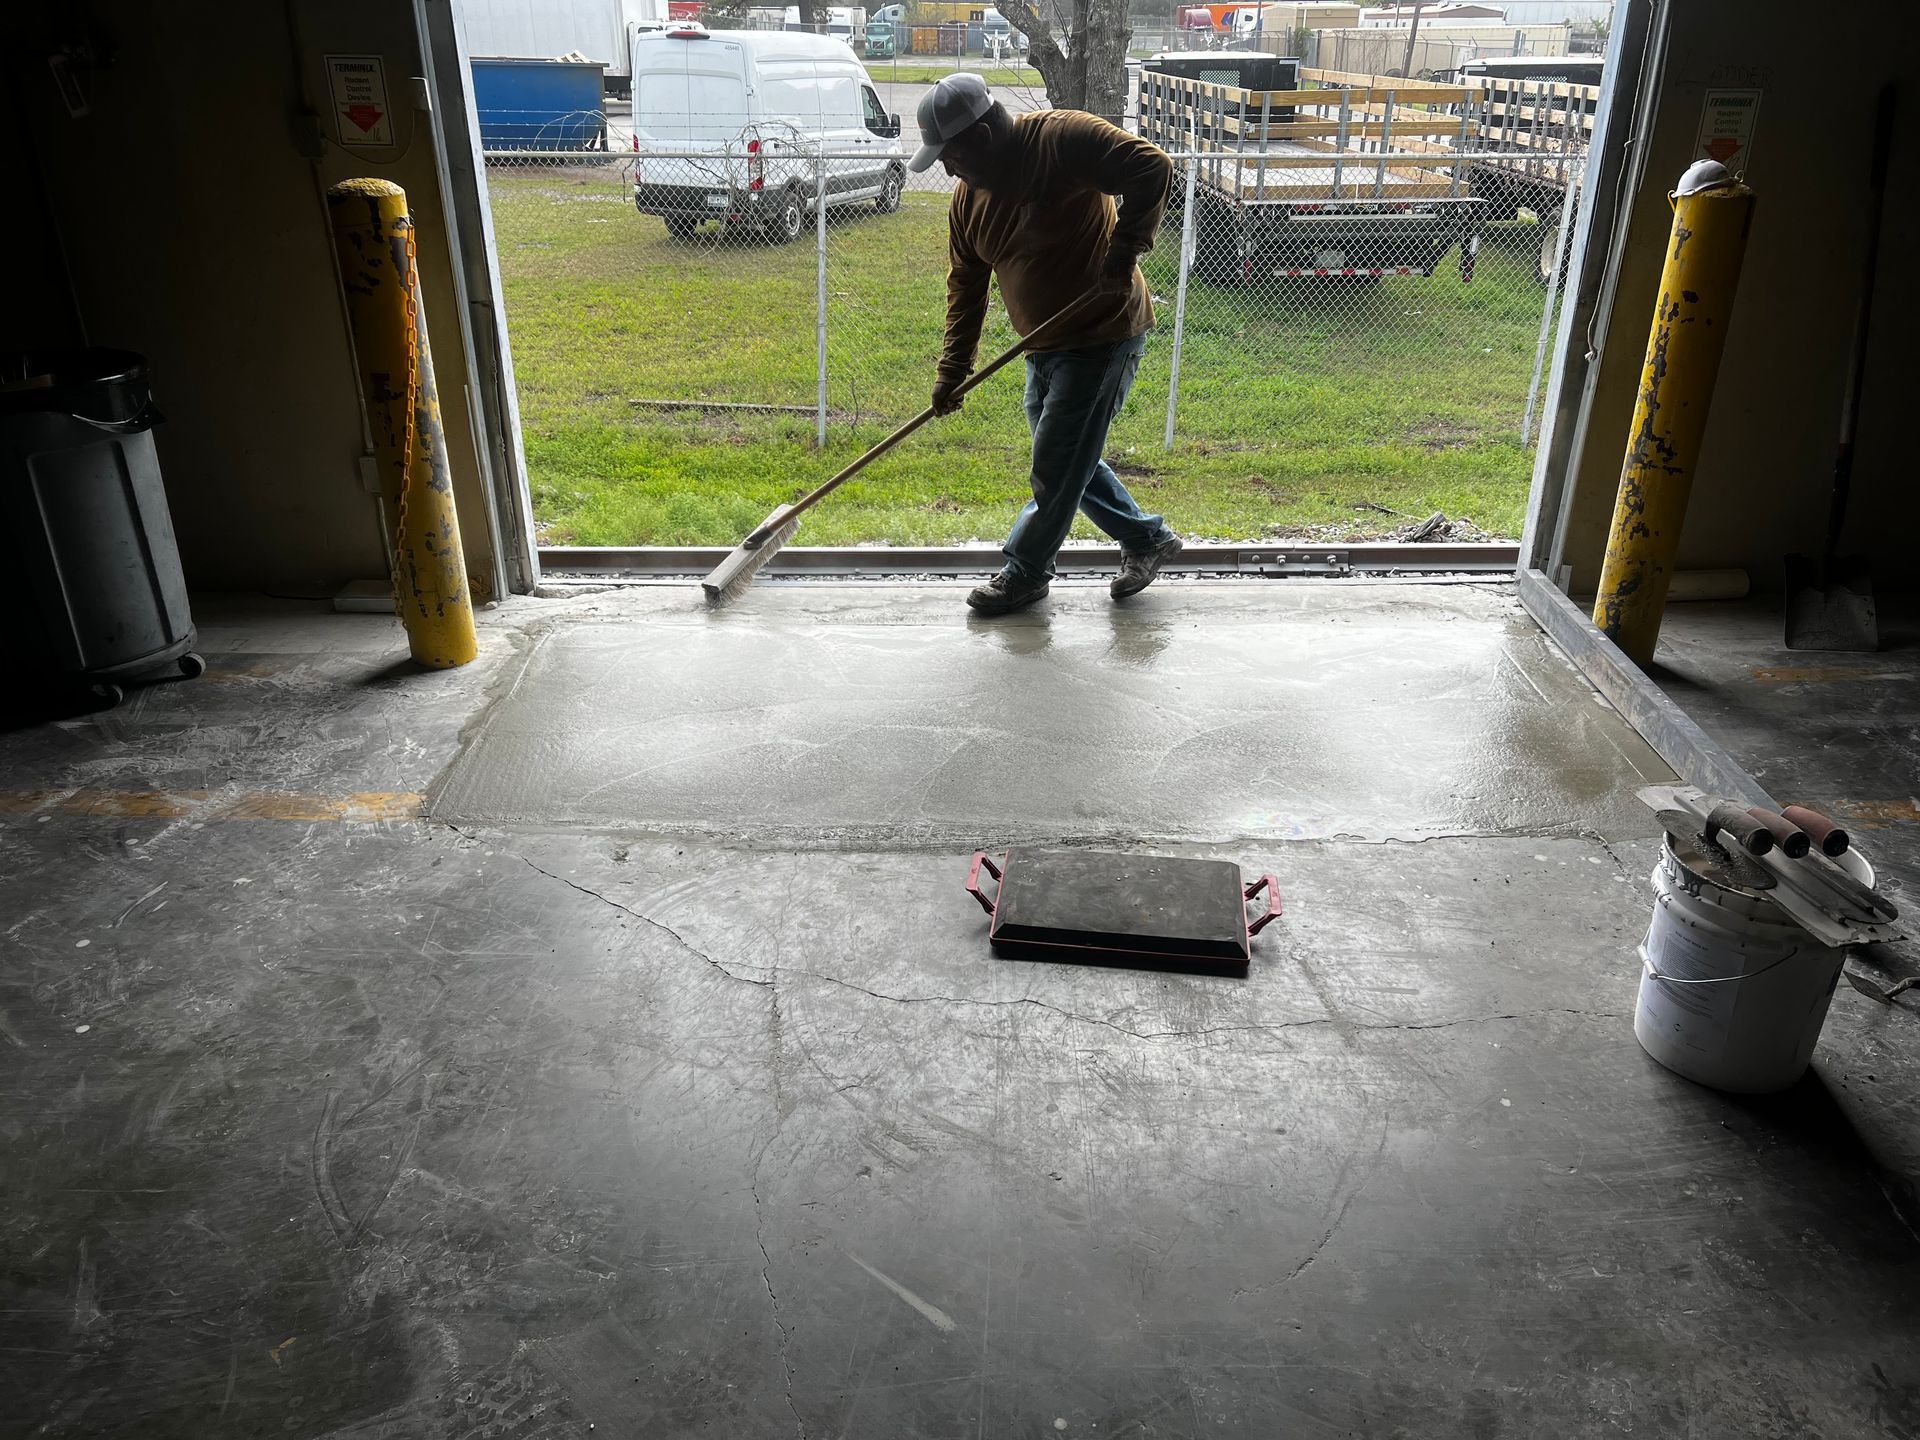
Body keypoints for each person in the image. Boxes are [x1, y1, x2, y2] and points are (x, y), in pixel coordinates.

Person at [909, 73, 1184, 615]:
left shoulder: (1062, 139)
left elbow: (1151, 167)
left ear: (982, 138)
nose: (945, 168)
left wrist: (1123, 254)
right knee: (1067, 459)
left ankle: (1027, 571)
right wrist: (952, 371)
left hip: (1102, 332)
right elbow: (967, 285)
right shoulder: (966, 202)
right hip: (1042, 343)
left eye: (950, 155)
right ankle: (1147, 539)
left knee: (1056, 460)